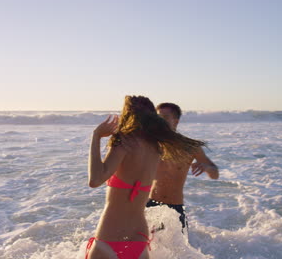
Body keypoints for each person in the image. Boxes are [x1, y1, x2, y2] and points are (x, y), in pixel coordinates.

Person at [85, 96, 205, 259]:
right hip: (139, 239)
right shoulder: (156, 149)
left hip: (110, 235)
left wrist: (96, 136)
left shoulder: (124, 142)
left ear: (128, 114)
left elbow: (94, 180)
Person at [147, 102, 219, 231]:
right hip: (150, 205)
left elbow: (215, 174)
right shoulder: (150, 144)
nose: (159, 122)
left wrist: (206, 167)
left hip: (175, 208)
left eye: (164, 118)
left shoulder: (190, 147)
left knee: (179, 250)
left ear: (176, 121)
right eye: (157, 118)